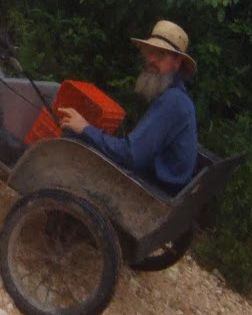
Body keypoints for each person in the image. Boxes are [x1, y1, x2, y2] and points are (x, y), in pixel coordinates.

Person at [57, 20, 198, 193]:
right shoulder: (174, 97)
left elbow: (131, 155)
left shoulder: (173, 101)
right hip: (157, 183)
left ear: (178, 62)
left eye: (161, 54)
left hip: (154, 190)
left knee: (73, 146)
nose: (151, 59)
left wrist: (85, 129)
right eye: (150, 52)